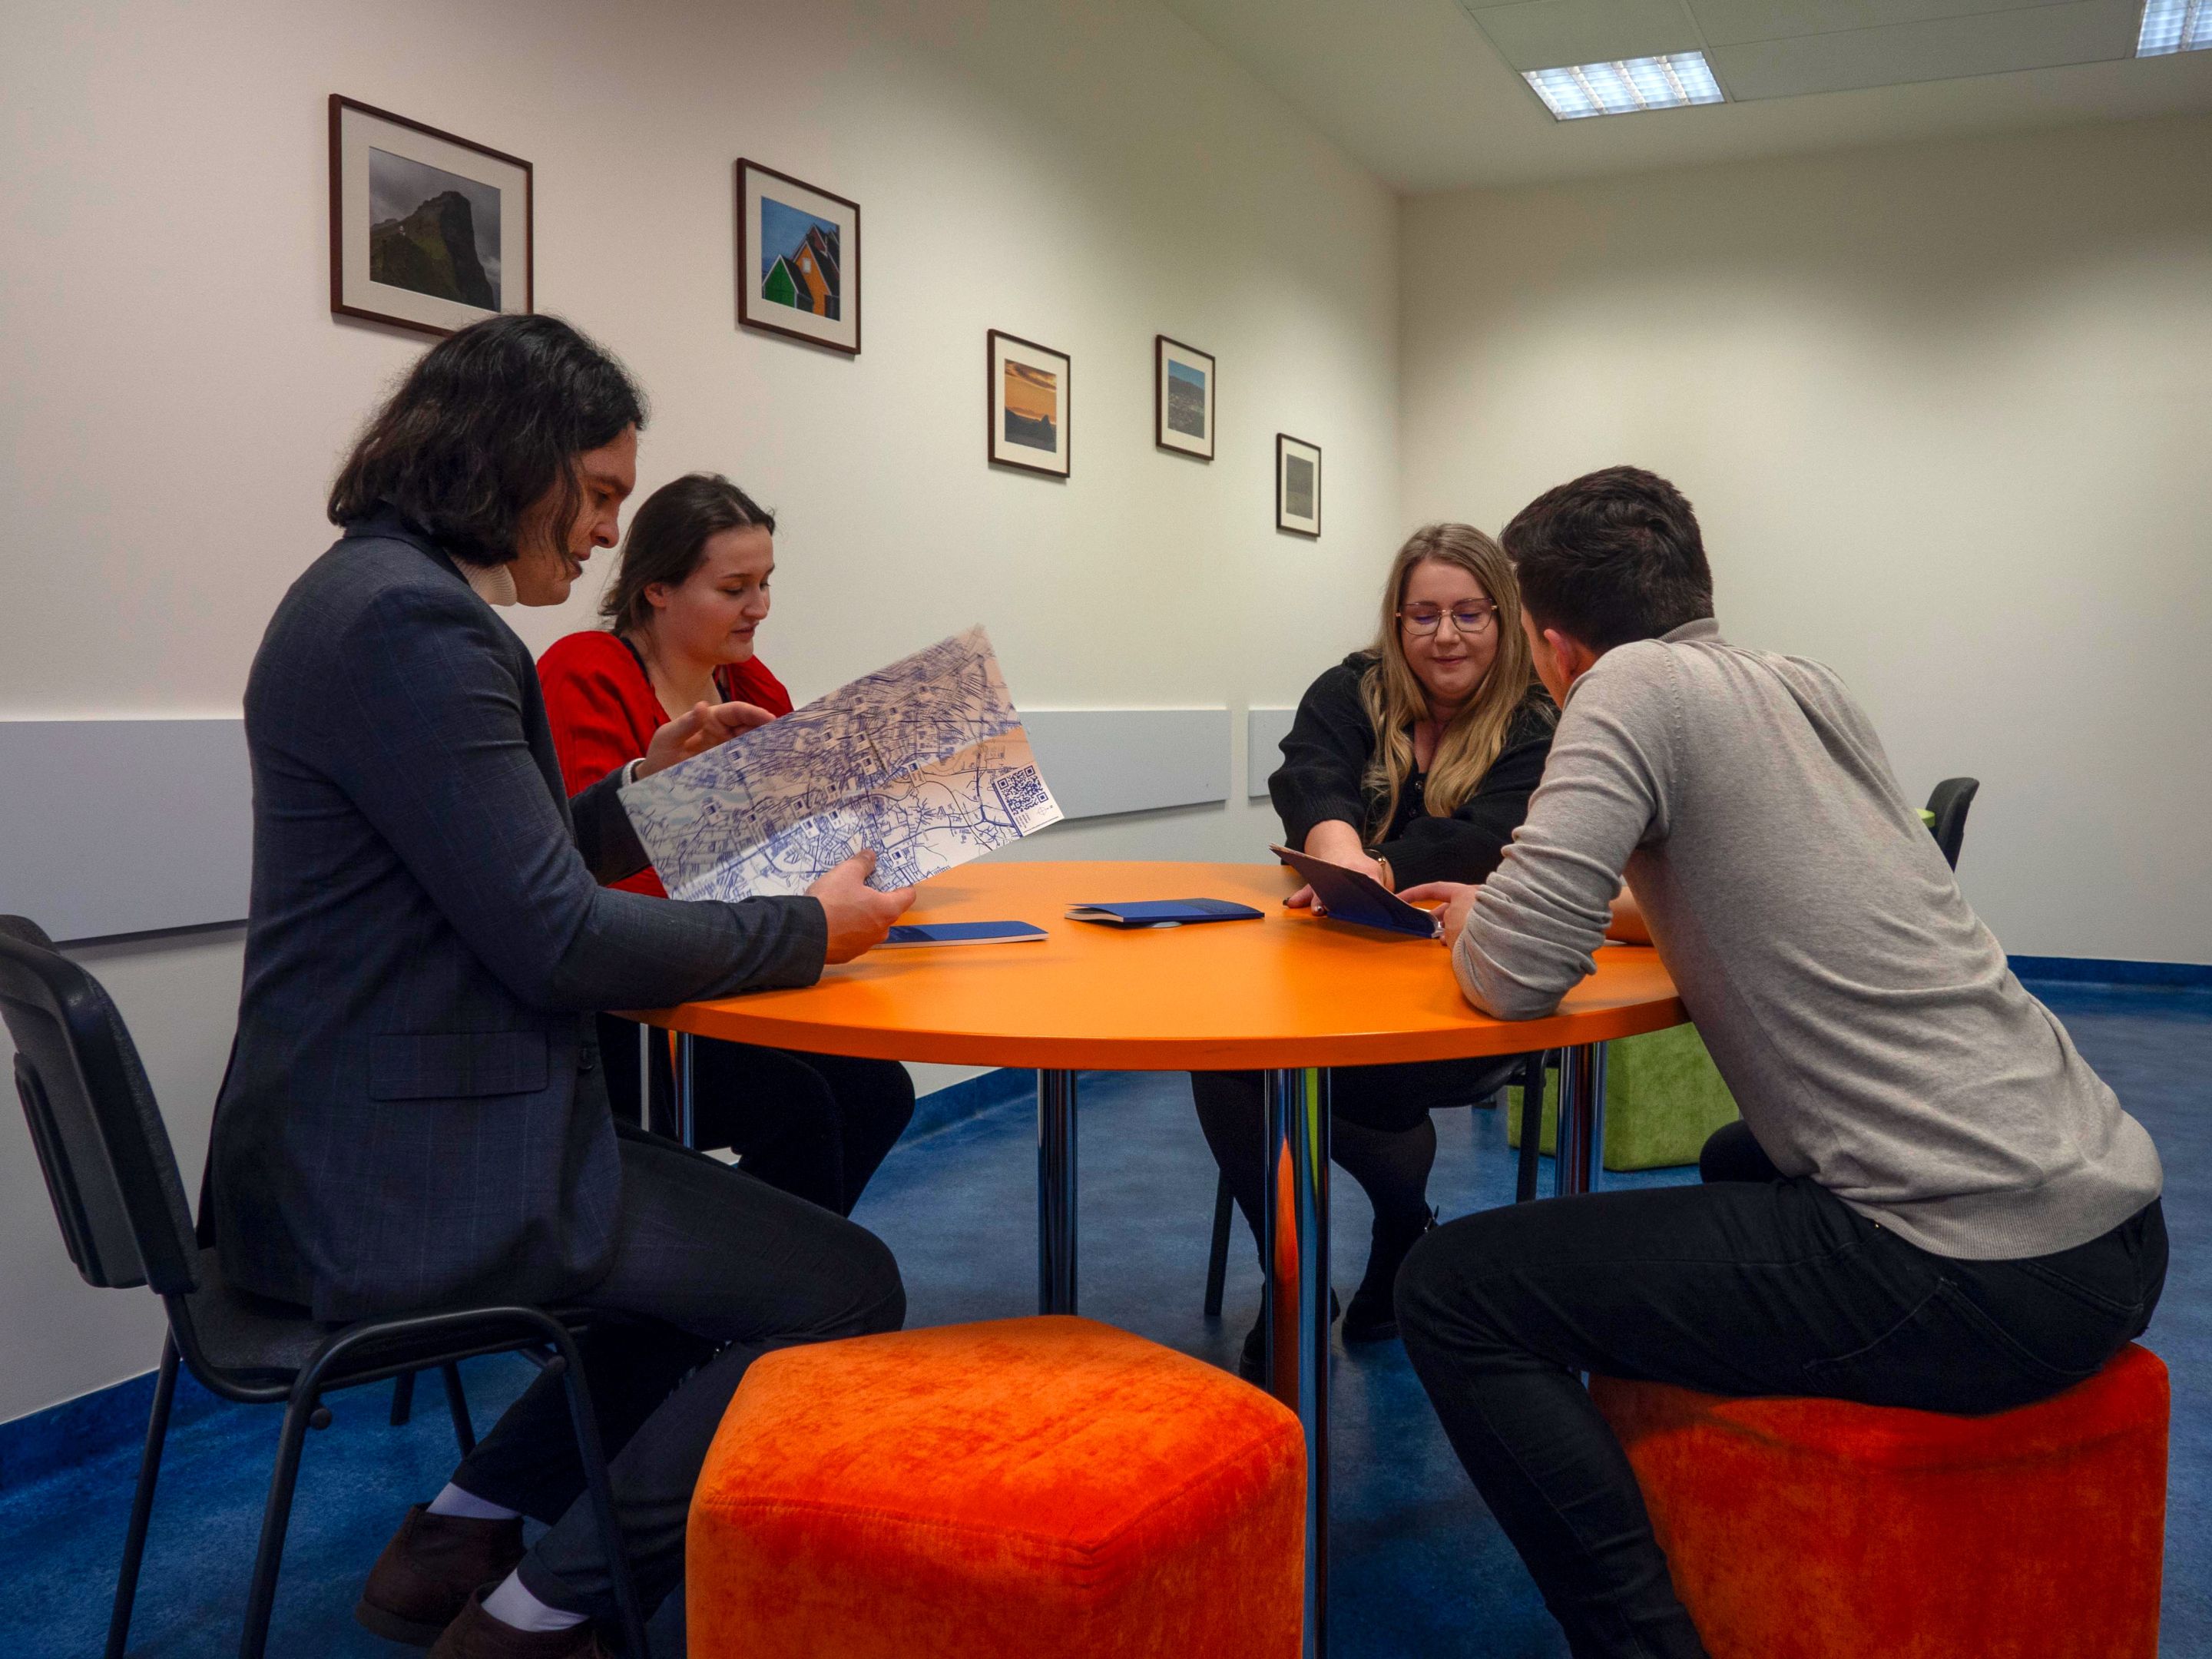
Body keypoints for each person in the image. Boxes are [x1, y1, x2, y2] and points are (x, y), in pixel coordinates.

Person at [210, 313, 914, 1659]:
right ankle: (539, 1619)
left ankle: (456, 1535)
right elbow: (558, 940)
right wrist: (804, 931)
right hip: (414, 1171)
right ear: (510, 460)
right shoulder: (416, 626)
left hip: (387, 1132)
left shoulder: (373, 597)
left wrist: (646, 788)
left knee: (721, 1269)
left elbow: (497, 861)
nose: (605, 534)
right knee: (847, 1288)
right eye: (596, 495)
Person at [1392, 467, 2166, 1659]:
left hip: (1976, 1273)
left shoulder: (1621, 687)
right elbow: (1749, 886)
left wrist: (1471, 922)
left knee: (1454, 1290)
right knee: (1737, 1157)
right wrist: (1552, 911)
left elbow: (1514, 974)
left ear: (1550, 646)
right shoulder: (1801, 681)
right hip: (2109, 1226)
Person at [1193, 523, 1555, 1379]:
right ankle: (1293, 1273)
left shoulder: (1539, 719)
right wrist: (1339, 855)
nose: (1445, 635)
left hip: (1468, 987)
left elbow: (1493, 837)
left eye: (1469, 614)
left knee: (1365, 1082)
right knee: (1223, 1057)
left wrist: (1381, 869)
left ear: (1503, 619)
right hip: (1330, 975)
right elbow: (1310, 776)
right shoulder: (1348, 689)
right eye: (1423, 615)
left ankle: (1401, 1224)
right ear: (1396, 620)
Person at [539, 472, 915, 1216]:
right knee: (802, 1107)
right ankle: (766, 1272)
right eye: (735, 588)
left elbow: (811, 827)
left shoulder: (749, 682)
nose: (760, 607)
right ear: (656, 589)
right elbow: (601, 885)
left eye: (766, 583)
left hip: (740, 972)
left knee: (878, 1091)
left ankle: (787, 1266)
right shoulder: (585, 672)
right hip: (628, 1007)